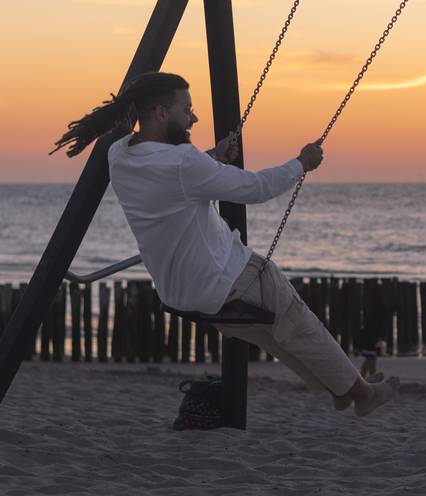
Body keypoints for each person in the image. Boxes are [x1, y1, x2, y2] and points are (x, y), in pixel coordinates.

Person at [51, 71, 399, 416]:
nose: (194, 117)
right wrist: (301, 164)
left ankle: (342, 389)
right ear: (160, 113)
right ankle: (363, 392)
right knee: (297, 323)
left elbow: (169, 175)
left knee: (273, 333)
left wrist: (213, 158)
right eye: (186, 110)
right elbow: (255, 188)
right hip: (224, 281)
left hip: (179, 291)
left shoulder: (120, 153)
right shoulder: (184, 162)